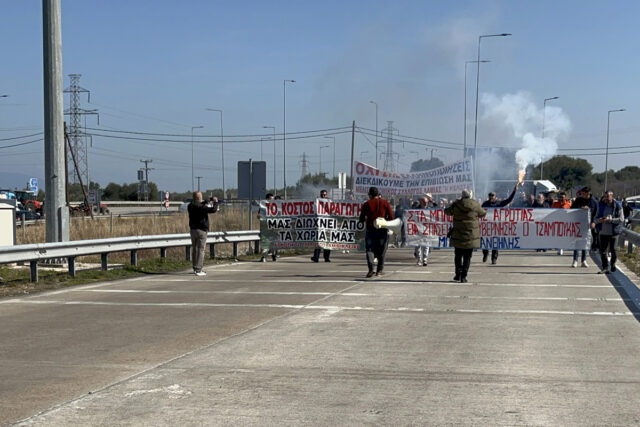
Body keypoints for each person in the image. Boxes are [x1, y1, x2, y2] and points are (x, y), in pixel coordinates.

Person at [444, 189, 487, 283]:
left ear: (462, 195)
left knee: (458, 256)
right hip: (470, 235)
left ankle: (457, 274)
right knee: (467, 257)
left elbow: (447, 212)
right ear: (470, 195)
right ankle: (464, 276)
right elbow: (483, 213)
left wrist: (453, 202)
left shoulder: (456, 204)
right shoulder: (475, 204)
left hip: (458, 235)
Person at [359, 186, 394, 277]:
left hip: (370, 230)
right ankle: (379, 270)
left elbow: (361, 218)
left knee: (370, 250)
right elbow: (391, 217)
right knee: (382, 251)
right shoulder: (385, 203)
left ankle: (371, 269)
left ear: (370, 195)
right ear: (378, 194)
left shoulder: (366, 204)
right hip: (382, 230)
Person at [481, 182, 518, 264]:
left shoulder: (499, 203)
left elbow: (509, 200)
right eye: (490, 196)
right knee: (485, 241)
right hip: (487, 226)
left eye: (492, 196)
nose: (491, 198)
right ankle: (485, 253)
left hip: (496, 226)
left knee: (495, 242)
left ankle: (494, 258)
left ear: (495, 197)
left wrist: (514, 191)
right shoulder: (485, 204)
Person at [187, 191, 219, 276]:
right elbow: (213, 210)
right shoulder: (202, 207)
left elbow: (198, 204)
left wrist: (206, 201)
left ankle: (195, 267)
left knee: (194, 249)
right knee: (201, 249)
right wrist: (215, 202)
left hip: (193, 230)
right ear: (199, 198)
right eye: (201, 197)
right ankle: (199, 269)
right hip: (202, 230)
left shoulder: (190, 206)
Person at [594, 191, 624, 274]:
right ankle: (605, 267)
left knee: (613, 250)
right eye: (605, 197)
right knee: (603, 251)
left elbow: (621, 219)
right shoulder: (601, 206)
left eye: (607, 196)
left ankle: (613, 264)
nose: (606, 198)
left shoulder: (618, 206)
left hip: (614, 232)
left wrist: (610, 220)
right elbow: (595, 218)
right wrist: (599, 220)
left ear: (612, 197)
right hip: (603, 232)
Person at [570, 188, 595, 267]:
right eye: (581, 194)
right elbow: (572, 209)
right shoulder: (578, 200)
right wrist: (580, 208)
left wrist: (593, 221)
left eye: (584, 193)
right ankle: (575, 260)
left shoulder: (593, 201)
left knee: (585, 241)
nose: (582, 195)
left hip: (587, 224)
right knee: (577, 241)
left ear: (588, 193)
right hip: (578, 223)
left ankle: (584, 260)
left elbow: (595, 212)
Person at [311, 189, 332, 262]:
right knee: (318, 242)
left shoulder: (330, 202)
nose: (323, 196)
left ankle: (326, 257)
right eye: (322, 195)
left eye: (325, 195)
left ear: (327, 195)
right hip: (319, 225)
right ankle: (316, 257)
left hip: (327, 225)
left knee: (328, 241)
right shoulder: (317, 202)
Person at [413, 195, 434, 266]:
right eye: (423, 202)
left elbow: (437, 209)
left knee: (426, 245)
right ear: (421, 202)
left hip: (426, 229)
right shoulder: (416, 209)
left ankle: (425, 259)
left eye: (426, 202)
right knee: (418, 245)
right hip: (418, 229)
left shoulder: (430, 209)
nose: (425, 204)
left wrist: (432, 201)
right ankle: (419, 259)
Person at [259, 193, 278, 262]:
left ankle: (273, 254)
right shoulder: (263, 207)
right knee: (266, 242)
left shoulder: (275, 207)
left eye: (273, 199)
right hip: (265, 227)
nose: (272, 201)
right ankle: (263, 256)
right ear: (267, 199)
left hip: (273, 227)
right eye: (270, 199)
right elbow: (258, 216)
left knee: (273, 242)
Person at [552, 191, 572, 255]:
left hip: (565, 222)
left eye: (563, 197)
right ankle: (559, 248)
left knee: (563, 235)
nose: (561, 198)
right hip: (557, 221)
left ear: (565, 197)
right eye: (560, 197)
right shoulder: (555, 204)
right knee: (557, 235)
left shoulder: (568, 204)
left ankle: (561, 247)